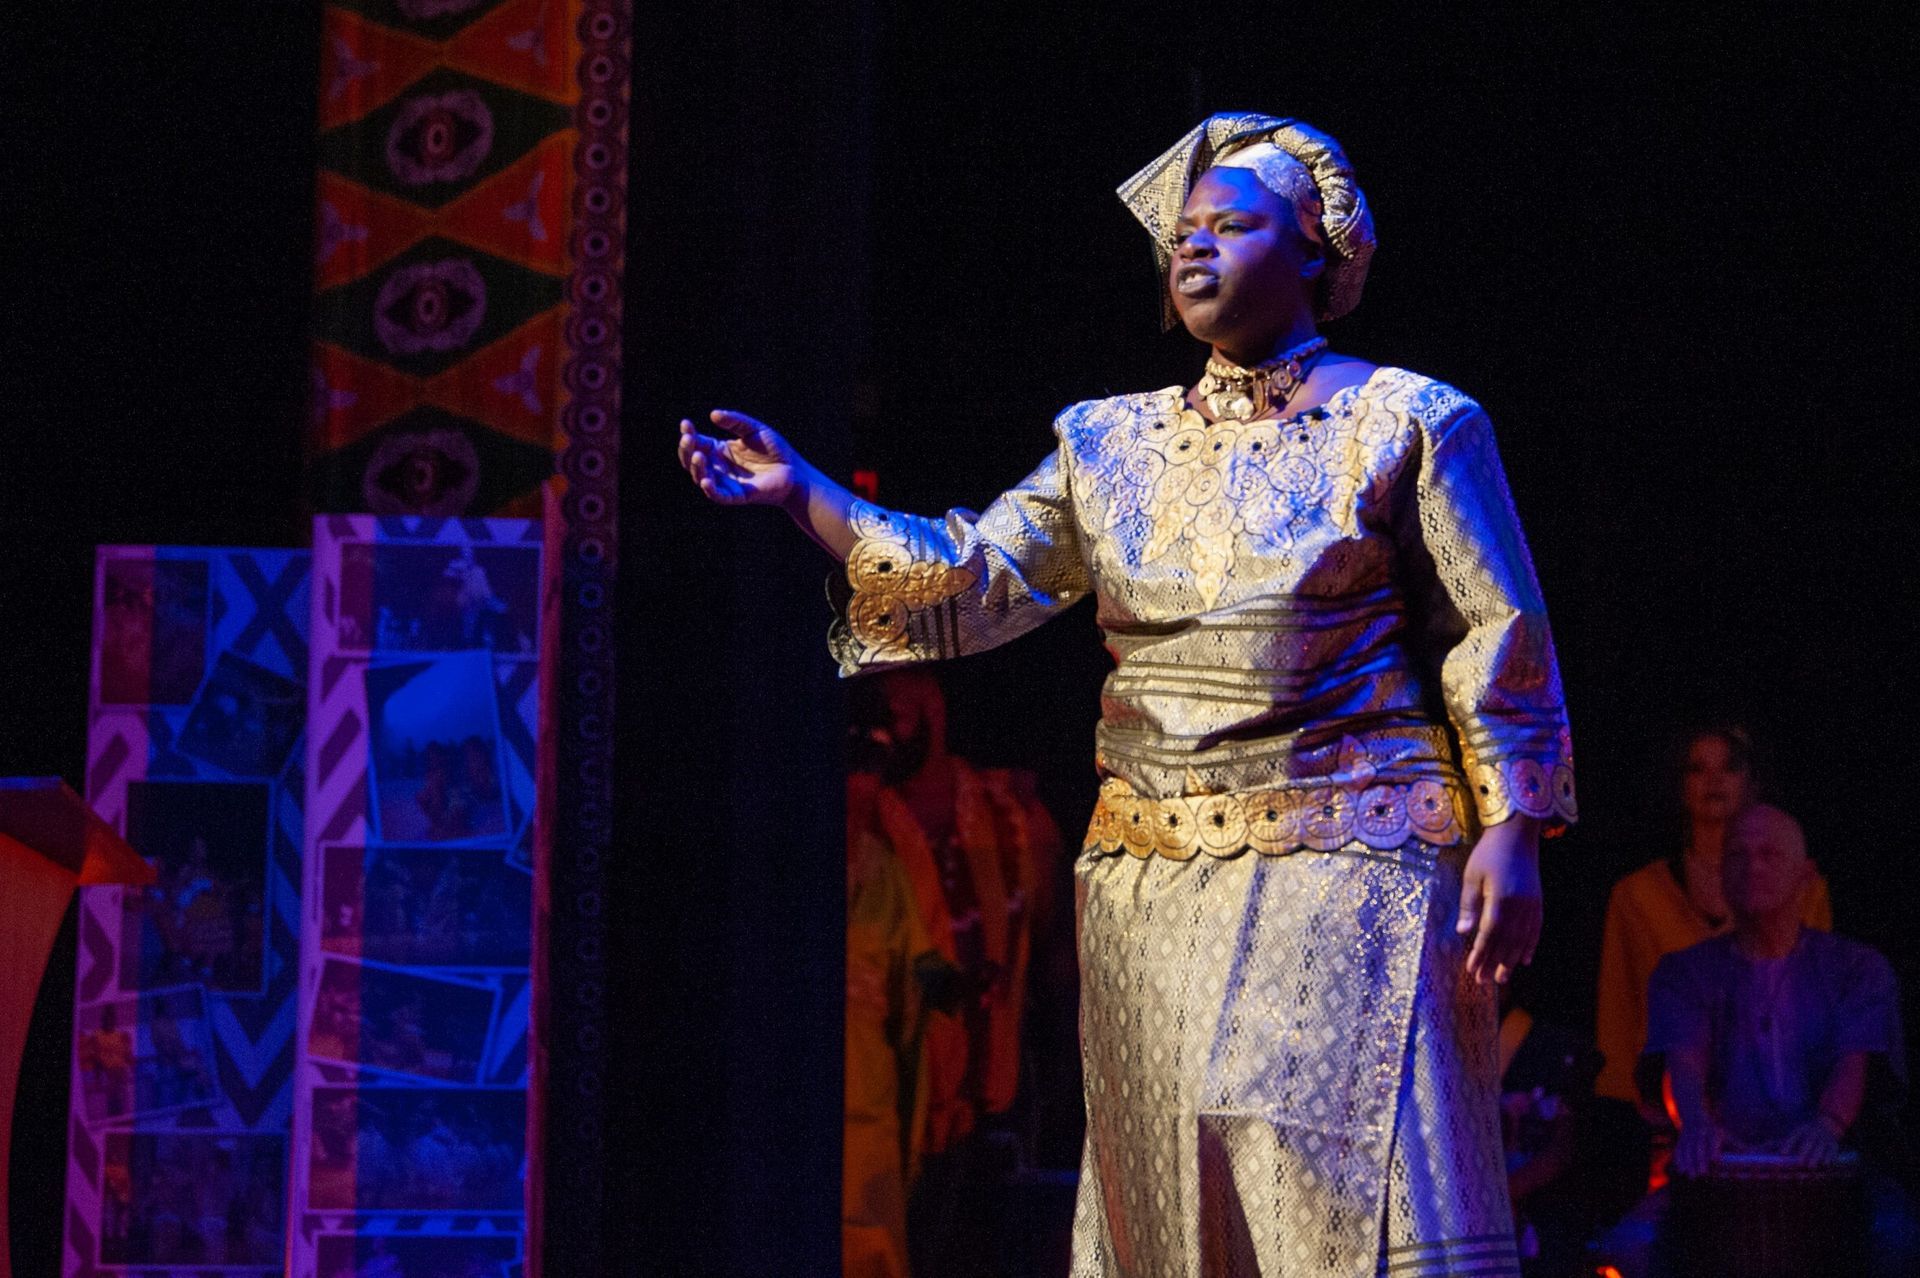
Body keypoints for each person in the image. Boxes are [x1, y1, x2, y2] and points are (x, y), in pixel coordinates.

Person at [676, 113, 1576, 1275]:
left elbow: (1493, 626)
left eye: (1233, 226)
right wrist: (804, 495)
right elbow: (975, 576)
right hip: (1150, 882)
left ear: (1316, 249)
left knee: (1337, 1183)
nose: (1194, 249)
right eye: (1185, 231)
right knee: (1173, 1188)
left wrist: (1515, 827)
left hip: (1350, 868)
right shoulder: (1107, 443)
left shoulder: (1407, 420)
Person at [1592, 803, 1914, 1276]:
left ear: (1806, 875)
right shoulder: (1683, 973)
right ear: (1722, 875)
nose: (1752, 867)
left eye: (1770, 855)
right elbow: (1684, 1059)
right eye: (1738, 855)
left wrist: (1827, 1125)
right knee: (1629, 1249)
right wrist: (1697, 1124)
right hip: (1718, 1171)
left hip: (1835, 1171)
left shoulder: (1857, 968)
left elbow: (1855, 1059)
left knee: (1900, 1241)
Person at [1595, 726, 1832, 1111]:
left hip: (1778, 1092)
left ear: (1752, 781)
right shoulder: (1637, 895)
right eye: (1697, 769)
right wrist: (1626, 1101)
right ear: (1680, 785)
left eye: (1729, 767)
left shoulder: (1802, 888)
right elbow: (1619, 1009)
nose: (1714, 780)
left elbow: (1816, 996)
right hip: (1665, 1098)